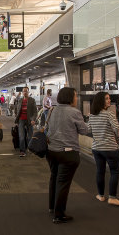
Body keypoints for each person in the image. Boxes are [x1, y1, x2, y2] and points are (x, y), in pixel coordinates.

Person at [45, 87, 88, 224]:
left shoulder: (52, 110)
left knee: (54, 178)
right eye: (75, 96)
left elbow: (47, 128)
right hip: (68, 153)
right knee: (63, 183)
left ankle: (52, 207)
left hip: (51, 151)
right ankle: (59, 215)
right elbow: (84, 130)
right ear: (70, 98)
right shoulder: (74, 112)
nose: (76, 98)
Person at [88, 92, 119, 206]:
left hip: (97, 148)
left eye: (109, 98)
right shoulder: (109, 114)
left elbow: (88, 129)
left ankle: (100, 195)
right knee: (114, 172)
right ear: (101, 101)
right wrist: (115, 133)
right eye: (107, 99)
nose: (109, 100)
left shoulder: (91, 115)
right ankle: (112, 197)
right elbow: (117, 128)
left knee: (100, 171)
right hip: (110, 148)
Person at [15, 87, 37, 157]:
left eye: (26, 91)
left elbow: (35, 111)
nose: (25, 93)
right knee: (21, 136)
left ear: (28, 92)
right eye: (24, 91)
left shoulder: (32, 100)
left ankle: (30, 148)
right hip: (21, 120)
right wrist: (17, 119)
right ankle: (22, 151)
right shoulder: (20, 100)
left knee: (30, 136)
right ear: (22, 92)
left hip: (29, 120)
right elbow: (17, 110)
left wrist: (33, 119)